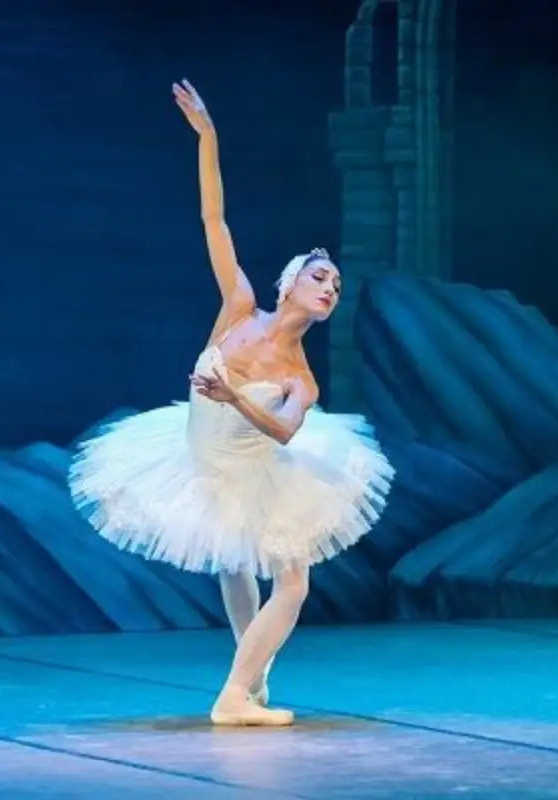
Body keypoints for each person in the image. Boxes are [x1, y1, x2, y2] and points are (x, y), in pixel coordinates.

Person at [67, 79, 394, 727]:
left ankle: (243, 689)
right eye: (320, 276)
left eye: (337, 286)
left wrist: (233, 397)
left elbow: (282, 435)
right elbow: (213, 219)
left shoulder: (303, 378)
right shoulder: (240, 307)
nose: (330, 288)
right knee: (236, 562)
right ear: (291, 281)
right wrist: (208, 135)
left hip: (257, 465)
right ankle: (241, 691)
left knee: (290, 580)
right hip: (199, 455)